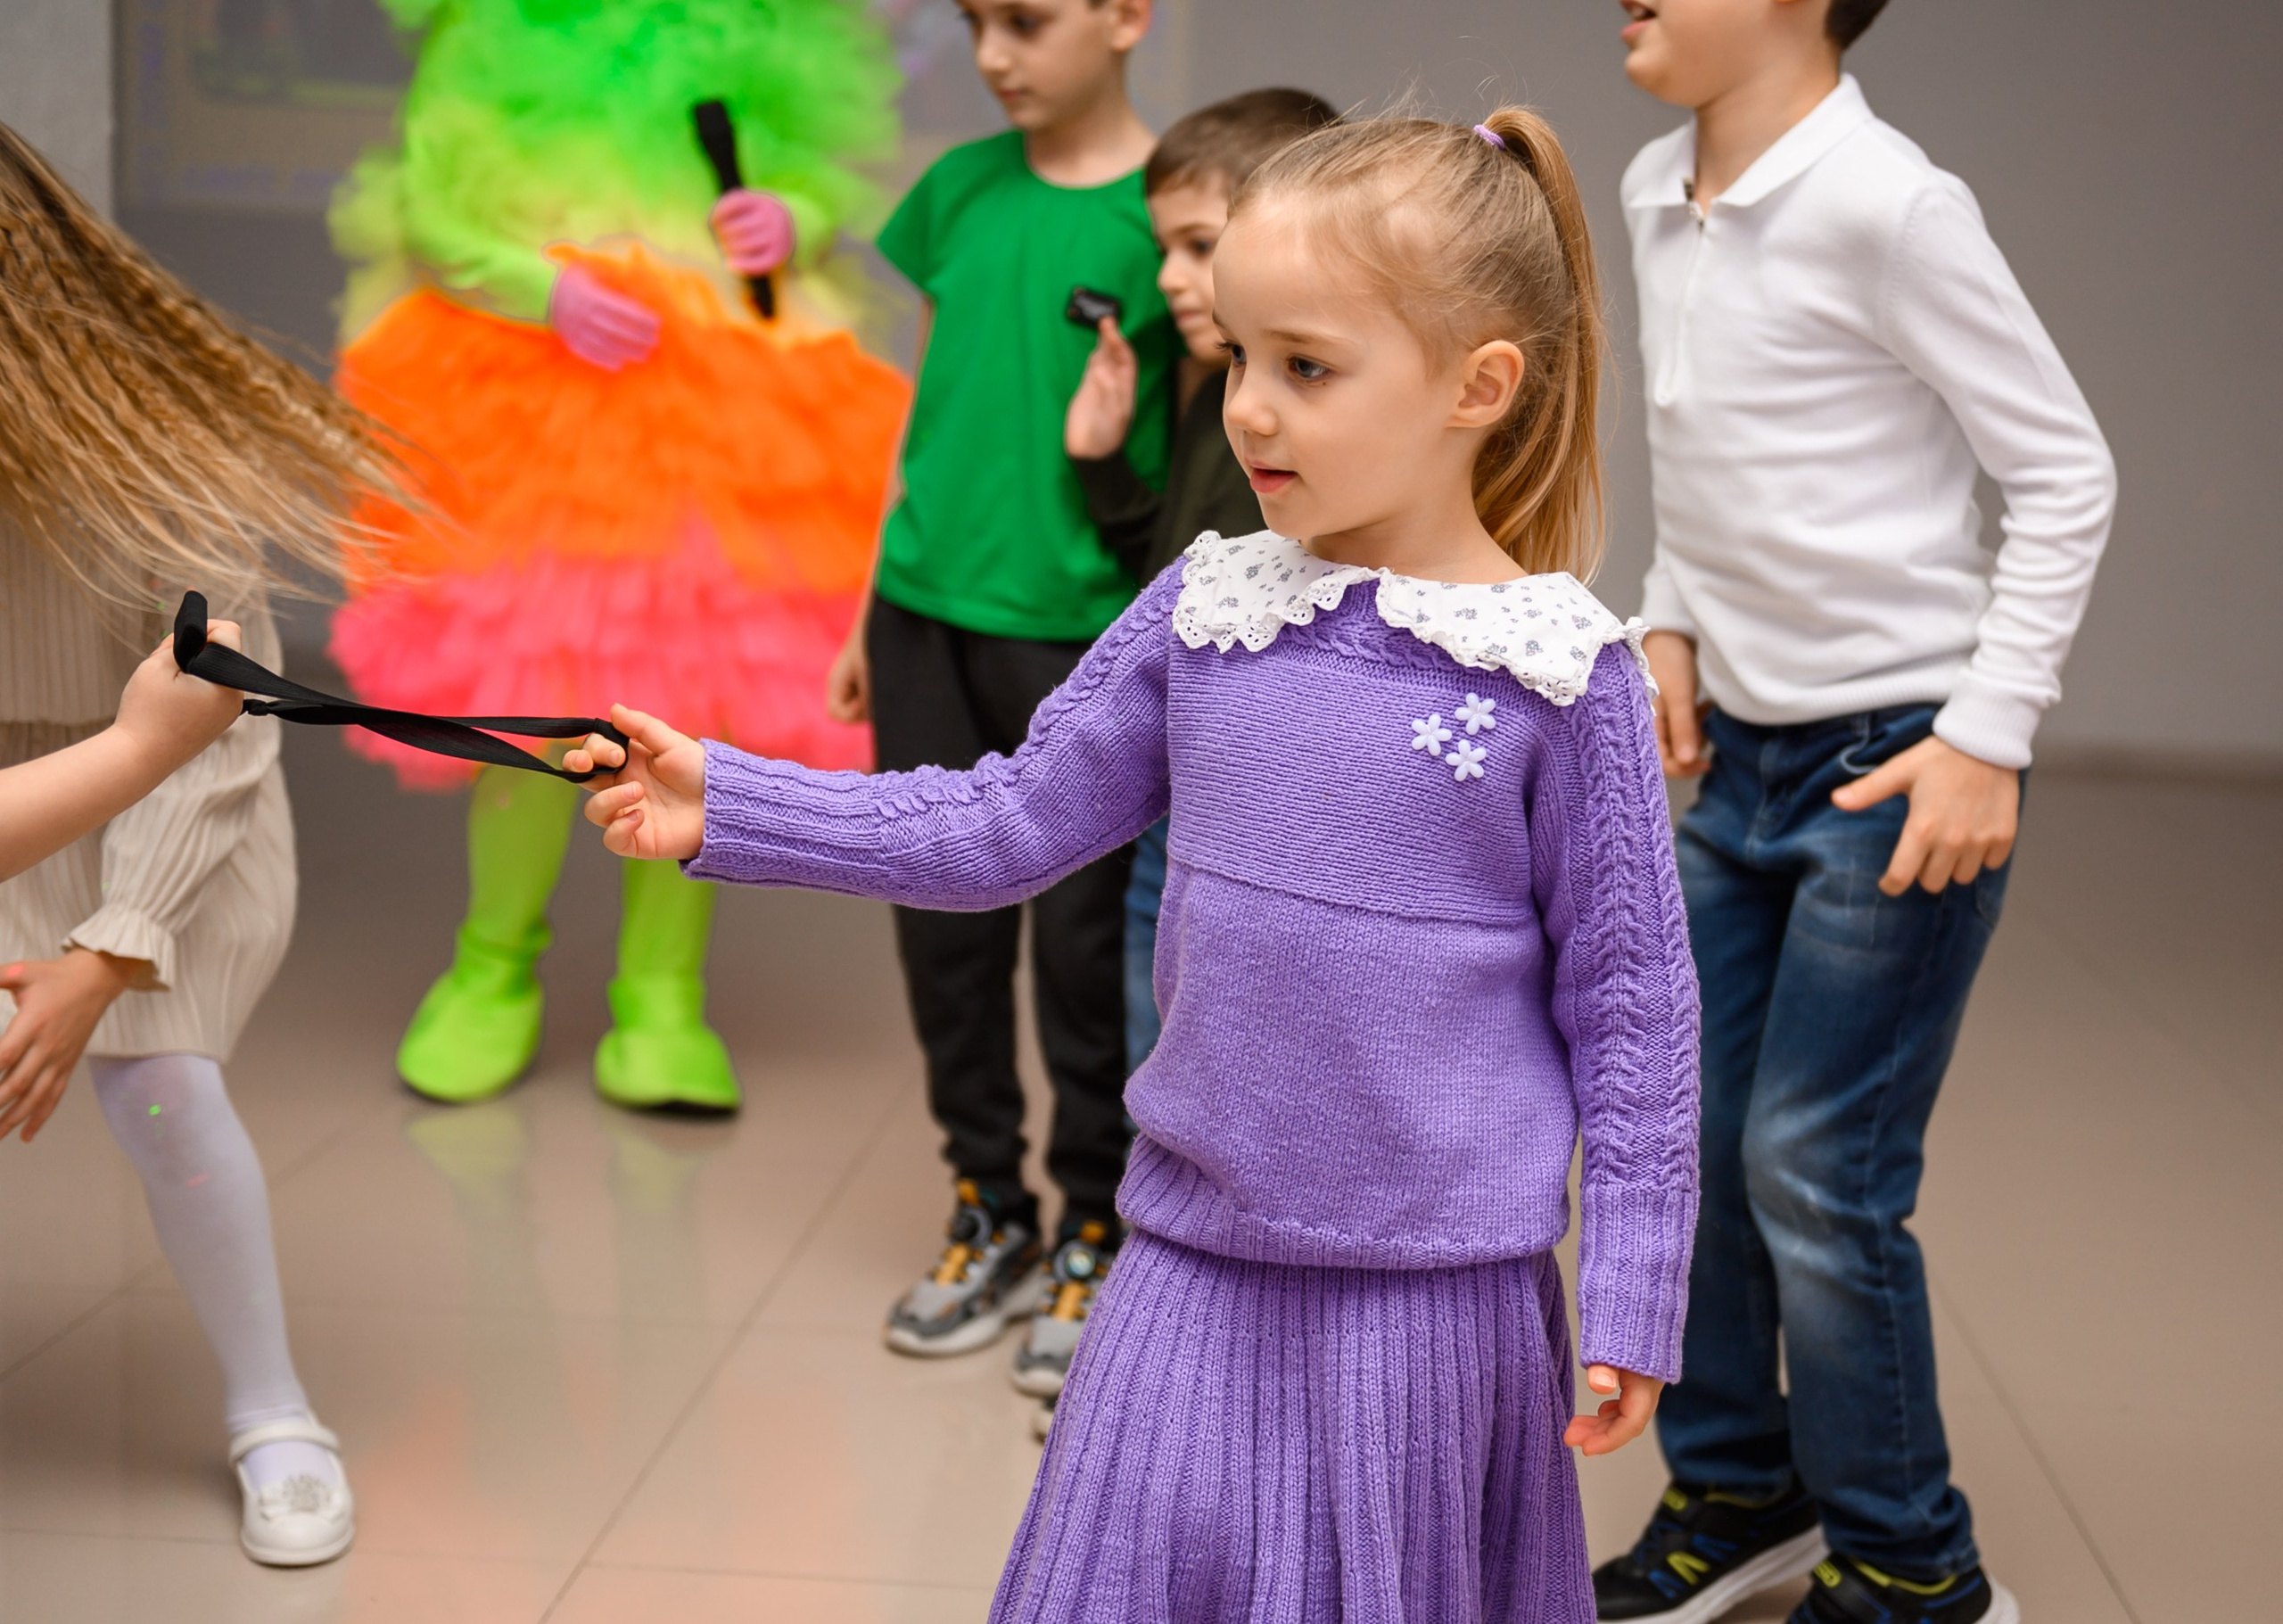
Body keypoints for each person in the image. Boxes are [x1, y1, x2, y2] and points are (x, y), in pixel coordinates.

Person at [569, 106, 1699, 1621]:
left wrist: (1632, 1281)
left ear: (1477, 388)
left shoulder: (1563, 675)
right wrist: (736, 803)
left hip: (1430, 1303)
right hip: (1185, 1259)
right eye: (1238, 356)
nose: (1249, 409)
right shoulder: (1206, 606)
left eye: (1308, 366)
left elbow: (1633, 1012)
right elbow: (1003, 824)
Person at [1593, 4, 2116, 1624]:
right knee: (1696, 1145)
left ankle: (1911, 1569)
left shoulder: (1888, 199)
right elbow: (1714, 467)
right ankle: (1744, 1485)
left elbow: (2066, 471)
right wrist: (1671, 616)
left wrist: (1986, 730)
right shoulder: (1650, 179)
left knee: (1817, 1167)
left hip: (1895, 766)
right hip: (1731, 754)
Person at [325, 0, 910, 1114]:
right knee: (531, 706)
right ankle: (491, 967)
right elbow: (432, 217)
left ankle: (662, 998)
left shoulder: (753, 31)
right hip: (542, 422)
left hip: (715, 420)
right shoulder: (489, 32)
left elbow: (811, 182)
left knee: (690, 713)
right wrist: (544, 288)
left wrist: (789, 218)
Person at [0, 120, 403, 1565]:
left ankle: (273, 1409)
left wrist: (111, 952)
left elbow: (211, 738)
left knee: (161, 1093)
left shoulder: (156, 465)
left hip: (167, 823)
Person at [828, 0, 1180, 1365]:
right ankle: (990, 1203)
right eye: (976, 21)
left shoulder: (1176, 217)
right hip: (921, 615)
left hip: (1082, 641)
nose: (991, 52)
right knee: (940, 933)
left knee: (1088, 954)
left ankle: (1098, 1224)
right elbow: (929, 404)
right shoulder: (958, 191)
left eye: (1025, 19)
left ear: (1126, 16)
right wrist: (871, 599)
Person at [1024, 84, 1338, 1425]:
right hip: (1175, 810)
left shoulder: (1289, 419)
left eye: (1198, 246)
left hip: (1259, 824)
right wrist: (1103, 466)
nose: (1167, 278)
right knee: (1169, 1078)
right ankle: (1165, 1349)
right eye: (1165, 248)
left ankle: (1238, 1364)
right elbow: (1188, 578)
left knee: (1250, 1090)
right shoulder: (1206, 389)